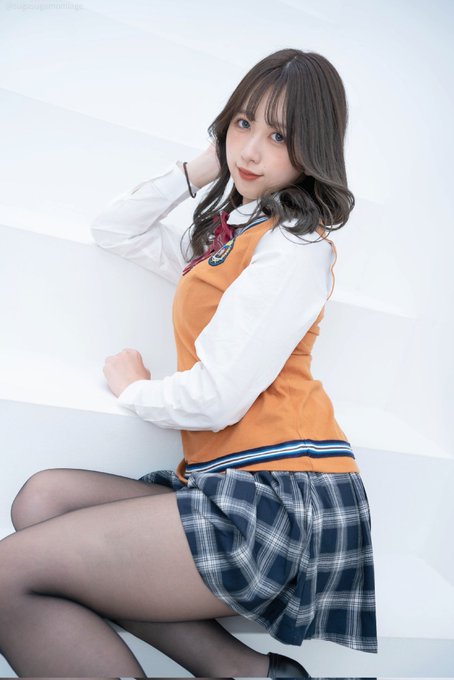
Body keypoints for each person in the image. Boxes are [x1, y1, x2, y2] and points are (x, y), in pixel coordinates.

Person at [0, 48, 377, 678]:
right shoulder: (233, 235)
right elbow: (115, 229)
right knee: (43, 501)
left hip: (286, 494)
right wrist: (205, 165)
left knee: (8, 575)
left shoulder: (292, 249)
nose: (251, 150)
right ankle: (250, 675)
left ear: (312, 149)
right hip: (231, 479)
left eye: (279, 136)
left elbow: (216, 398)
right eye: (243, 124)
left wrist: (134, 389)